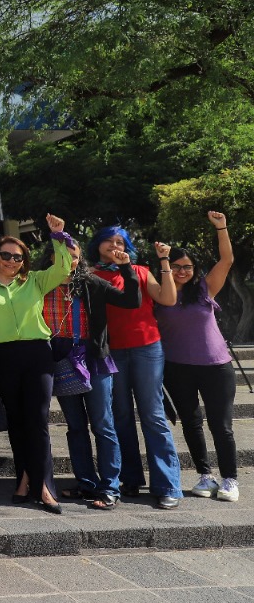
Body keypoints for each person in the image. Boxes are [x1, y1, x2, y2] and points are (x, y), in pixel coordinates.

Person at [0, 214, 71, 514]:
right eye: (6, 255)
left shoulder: (35, 281)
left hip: (37, 354)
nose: (12, 261)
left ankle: (43, 486)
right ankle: (24, 479)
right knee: (16, 421)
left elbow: (64, 267)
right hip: (2, 357)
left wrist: (58, 237)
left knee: (38, 420)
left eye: (18, 257)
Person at [37, 238, 140, 510]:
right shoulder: (40, 284)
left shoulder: (91, 283)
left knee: (103, 424)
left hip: (92, 356)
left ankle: (110, 488)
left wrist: (126, 269)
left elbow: (131, 301)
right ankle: (86, 483)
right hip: (59, 356)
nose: (70, 261)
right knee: (75, 426)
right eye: (63, 255)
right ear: (51, 258)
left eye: (74, 256)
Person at [88, 226, 183, 509]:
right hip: (111, 351)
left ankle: (168, 485)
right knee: (120, 415)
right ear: (98, 244)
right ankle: (129, 478)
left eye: (121, 242)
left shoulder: (140, 271)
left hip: (147, 347)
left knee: (153, 415)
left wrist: (164, 261)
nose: (115, 245)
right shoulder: (90, 275)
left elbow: (168, 299)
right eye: (109, 241)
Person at [157, 211, 239, 503]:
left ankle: (230, 479)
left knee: (222, 425)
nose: (182, 271)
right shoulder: (159, 294)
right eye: (176, 266)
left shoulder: (204, 289)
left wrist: (222, 228)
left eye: (187, 266)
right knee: (191, 423)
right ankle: (205, 475)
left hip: (217, 367)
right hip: (178, 368)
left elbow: (226, 260)